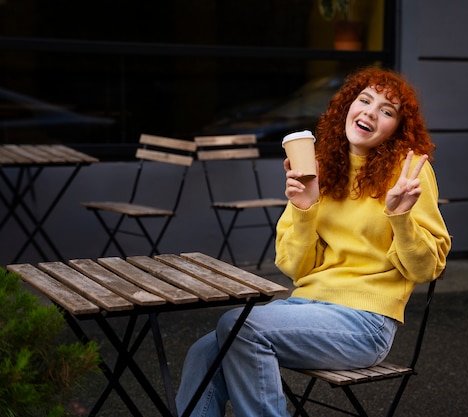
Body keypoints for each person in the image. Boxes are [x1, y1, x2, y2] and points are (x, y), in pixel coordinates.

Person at [175, 67, 451, 417]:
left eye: (387, 110)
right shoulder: (321, 165)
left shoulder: (407, 170)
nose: (370, 111)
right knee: (204, 352)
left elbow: (428, 268)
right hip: (306, 308)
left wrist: (400, 218)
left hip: (365, 323)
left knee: (237, 326)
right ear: (347, 107)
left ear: (397, 128)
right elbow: (293, 267)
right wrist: (304, 208)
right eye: (364, 100)